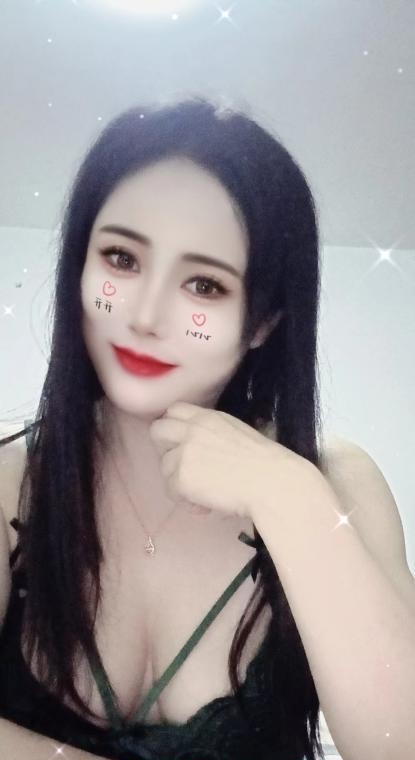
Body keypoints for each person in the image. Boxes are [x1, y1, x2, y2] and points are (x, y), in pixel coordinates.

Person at [0, 96, 327, 760]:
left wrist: (292, 498)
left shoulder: (330, 485)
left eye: (204, 285)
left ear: (263, 322)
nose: (145, 316)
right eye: (121, 259)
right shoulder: (10, 482)